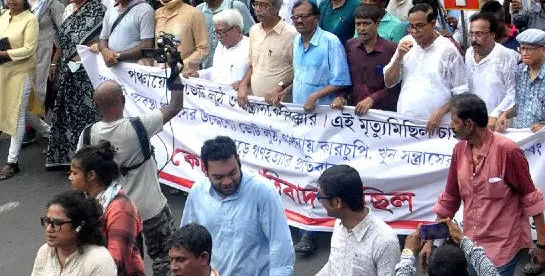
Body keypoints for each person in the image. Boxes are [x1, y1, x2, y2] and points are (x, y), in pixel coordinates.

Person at [434, 94, 545, 276]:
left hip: (502, 248)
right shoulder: (459, 151)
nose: (451, 126)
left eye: (455, 121)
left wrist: (542, 245)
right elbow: (450, 198)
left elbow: (530, 197)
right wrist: (429, 240)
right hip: (469, 244)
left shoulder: (508, 151)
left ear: (469, 124)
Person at [79, 73, 183, 275]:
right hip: (151, 209)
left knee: (126, 265)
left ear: (95, 104)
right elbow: (175, 106)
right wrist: (174, 74)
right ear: (123, 100)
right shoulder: (139, 126)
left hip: (115, 215)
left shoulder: (88, 135)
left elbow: (81, 175)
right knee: (165, 260)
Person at [180, 136, 294, 276]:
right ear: (205, 171)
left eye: (232, 173)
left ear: (239, 161)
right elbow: (188, 241)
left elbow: (280, 244)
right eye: (218, 177)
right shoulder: (198, 192)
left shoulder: (263, 191)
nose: (227, 181)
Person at [46, 0, 106, 169]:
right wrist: (55, 63)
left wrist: (96, 45)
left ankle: (93, 160)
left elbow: (103, 38)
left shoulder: (98, 10)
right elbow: (62, 41)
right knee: (69, 114)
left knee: (89, 116)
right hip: (67, 70)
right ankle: (74, 157)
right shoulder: (69, 10)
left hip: (86, 72)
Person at [68, 142, 144, 276]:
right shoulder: (85, 198)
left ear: (91, 175)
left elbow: (116, 262)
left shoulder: (121, 210)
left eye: (74, 173)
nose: (70, 177)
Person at [385, 2, 466, 127]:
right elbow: (389, 82)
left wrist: (440, 112)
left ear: (433, 24)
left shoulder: (448, 50)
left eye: (419, 26)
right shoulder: (405, 43)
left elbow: (462, 94)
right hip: (406, 123)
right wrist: (399, 57)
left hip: (439, 125)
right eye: (411, 26)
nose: (414, 31)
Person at [313, 164, 400, 276]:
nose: (319, 201)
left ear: (337, 202)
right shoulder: (339, 224)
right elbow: (333, 266)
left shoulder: (385, 242)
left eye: (320, 197)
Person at [0, 0, 48, 177]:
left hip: (21, 71)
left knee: (17, 114)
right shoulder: (3, 15)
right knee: (20, 110)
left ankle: (12, 161)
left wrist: (3, 54)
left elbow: (29, 50)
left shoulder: (30, 20)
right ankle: (51, 133)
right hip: (3, 70)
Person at [499, 29, 545, 131]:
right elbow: (520, 106)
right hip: (524, 136)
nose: (524, 53)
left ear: (543, 49)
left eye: (529, 49)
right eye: (521, 49)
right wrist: (505, 114)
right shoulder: (519, 71)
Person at [236, 0, 298, 108]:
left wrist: (280, 86)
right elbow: (252, 65)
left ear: (276, 8)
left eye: (263, 5)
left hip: (280, 104)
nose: (257, 9)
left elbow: (299, 72)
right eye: (256, 4)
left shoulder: (292, 34)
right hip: (253, 102)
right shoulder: (253, 30)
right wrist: (243, 85)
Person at [31, 190, 117, 276]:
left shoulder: (99, 261)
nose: (49, 229)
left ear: (79, 226)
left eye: (57, 223)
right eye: (47, 221)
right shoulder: (45, 251)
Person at [95, 0, 155, 68]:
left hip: (131, 70)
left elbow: (146, 46)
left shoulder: (145, 10)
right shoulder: (111, 9)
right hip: (110, 66)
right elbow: (103, 38)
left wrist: (118, 56)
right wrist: (105, 51)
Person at [464, 12, 519, 118]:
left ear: (492, 34)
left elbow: (513, 92)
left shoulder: (505, 55)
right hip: (475, 119)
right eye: (471, 34)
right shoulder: (468, 53)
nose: (474, 39)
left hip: (498, 121)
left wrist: (495, 114)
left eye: (479, 34)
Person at [196, 9, 251, 85]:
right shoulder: (220, 45)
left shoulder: (250, 46)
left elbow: (257, 75)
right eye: (216, 32)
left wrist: (245, 84)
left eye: (221, 32)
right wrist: (198, 74)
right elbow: (216, 71)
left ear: (236, 30)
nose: (218, 36)